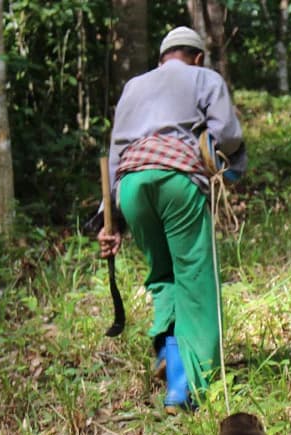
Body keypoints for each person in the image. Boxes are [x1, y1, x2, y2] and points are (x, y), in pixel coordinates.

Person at [99, 26, 246, 413]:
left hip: (131, 184)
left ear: (163, 57)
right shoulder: (204, 77)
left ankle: (170, 353)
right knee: (196, 280)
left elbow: (115, 153)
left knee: (163, 275)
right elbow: (227, 133)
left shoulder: (134, 86)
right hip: (177, 179)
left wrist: (110, 218)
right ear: (196, 56)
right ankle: (185, 389)